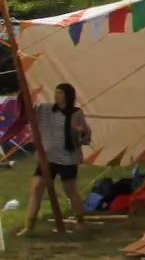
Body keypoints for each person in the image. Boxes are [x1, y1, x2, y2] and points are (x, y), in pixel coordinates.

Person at [18, 83, 91, 235]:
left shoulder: (77, 113)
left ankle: (80, 222)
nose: (57, 96)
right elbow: (27, 113)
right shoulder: (45, 109)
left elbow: (84, 138)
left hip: (68, 158)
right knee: (36, 188)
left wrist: (82, 132)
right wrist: (23, 94)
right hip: (48, 158)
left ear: (68, 95)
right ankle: (29, 226)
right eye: (56, 92)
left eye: (61, 93)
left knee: (70, 191)